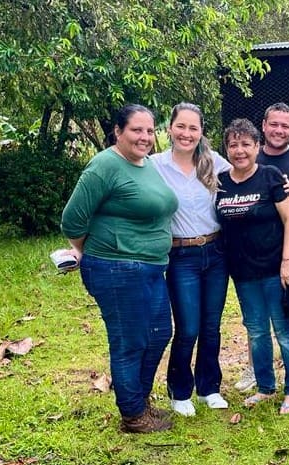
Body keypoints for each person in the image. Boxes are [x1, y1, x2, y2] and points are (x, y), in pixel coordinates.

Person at [61, 104, 178, 433]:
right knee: (130, 341)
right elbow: (72, 220)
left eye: (149, 130)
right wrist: (94, 251)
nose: (144, 137)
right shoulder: (104, 166)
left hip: (152, 267)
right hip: (117, 268)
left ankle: (139, 401)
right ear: (118, 131)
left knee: (158, 334)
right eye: (136, 130)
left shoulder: (145, 165)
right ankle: (133, 415)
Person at [216, 118, 289, 414]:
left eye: (245, 144)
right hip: (242, 272)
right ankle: (266, 387)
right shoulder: (220, 182)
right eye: (233, 144)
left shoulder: (271, 176)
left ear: (256, 146)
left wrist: (288, 261)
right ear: (226, 149)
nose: (239, 150)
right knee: (256, 331)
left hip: (275, 270)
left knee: (285, 331)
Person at [234, 102, 289, 392]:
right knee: (255, 317)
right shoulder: (247, 158)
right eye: (274, 124)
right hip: (253, 255)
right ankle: (254, 368)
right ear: (263, 126)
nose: (279, 130)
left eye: (285, 126)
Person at [150, 103, 232, 417]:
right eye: (181, 127)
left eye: (193, 128)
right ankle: (179, 390)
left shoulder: (214, 163)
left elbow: (247, 174)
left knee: (211, 326)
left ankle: (209, 388)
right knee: (188, 327)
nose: (186, 134)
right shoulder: (155, 165)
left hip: (215, 252)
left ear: (201, 132)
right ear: (169, 128)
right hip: (180, 255)